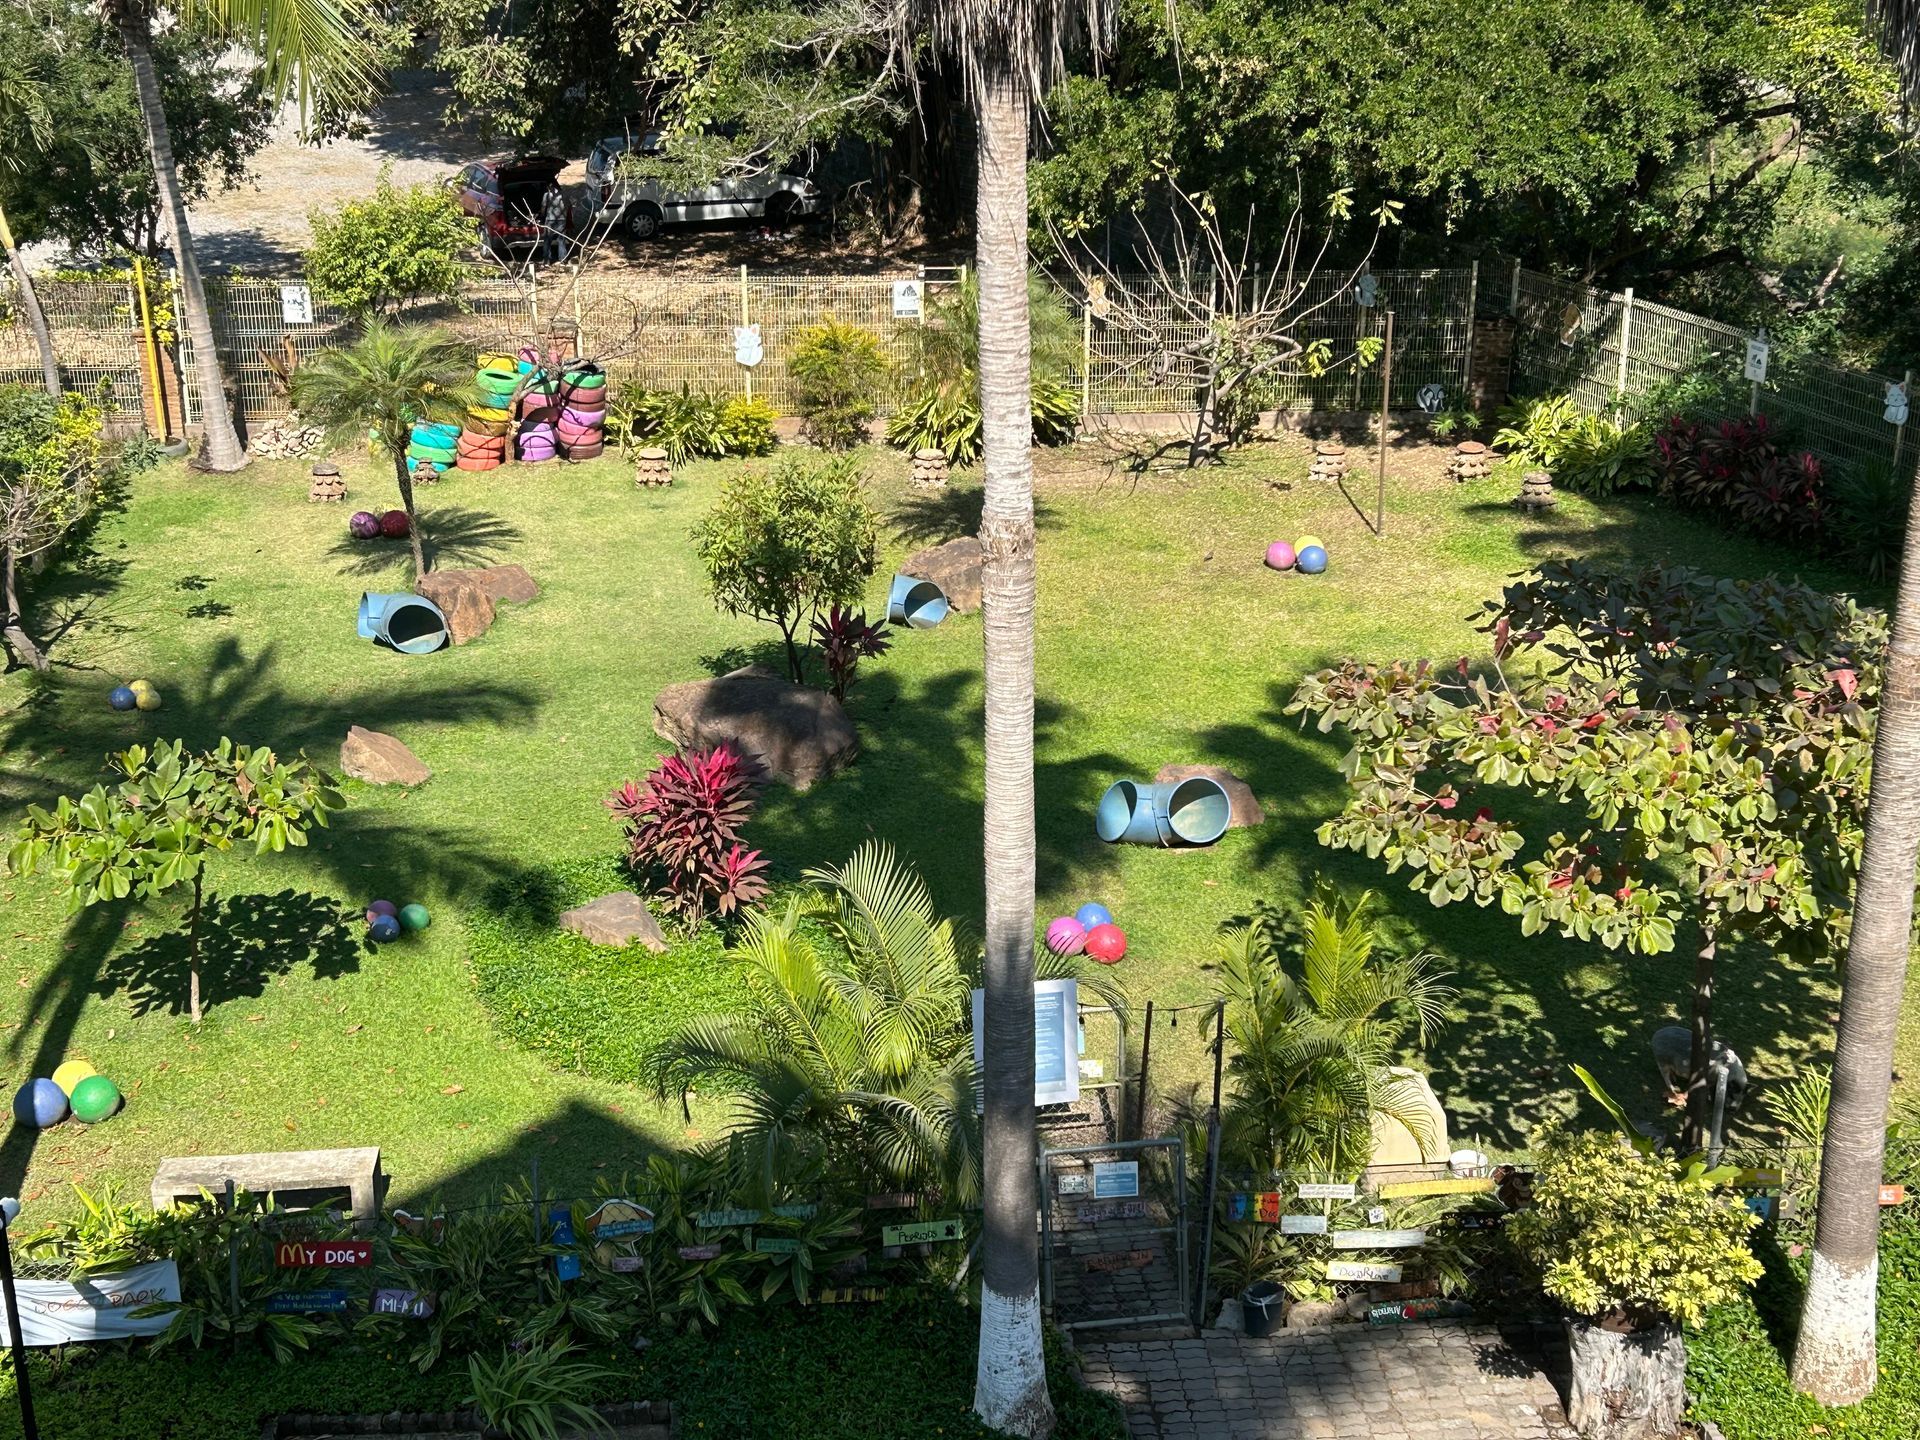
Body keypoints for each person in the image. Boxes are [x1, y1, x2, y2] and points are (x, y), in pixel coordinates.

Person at [540, 182, 570, 266]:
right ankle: (563, 260)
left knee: (547, 240)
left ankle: (547, 260)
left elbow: (543, 207)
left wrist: (542, 217)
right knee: (561, 240)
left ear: (548, 187)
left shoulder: (546, 195)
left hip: (550, 220)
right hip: (562, 220)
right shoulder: (564, 194)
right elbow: (569, 206)